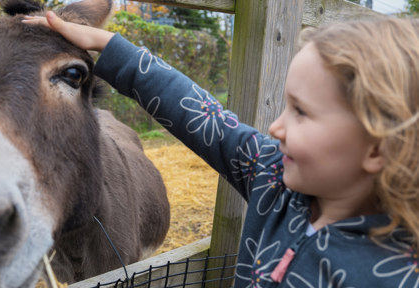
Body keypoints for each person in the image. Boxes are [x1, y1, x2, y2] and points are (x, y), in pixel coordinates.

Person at [23, 13, 419, 287]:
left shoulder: (393, 274)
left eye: (301, 112)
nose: (275, 126)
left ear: (376, 147)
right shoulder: (272, 174)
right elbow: (199, 112)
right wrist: (108, 46)